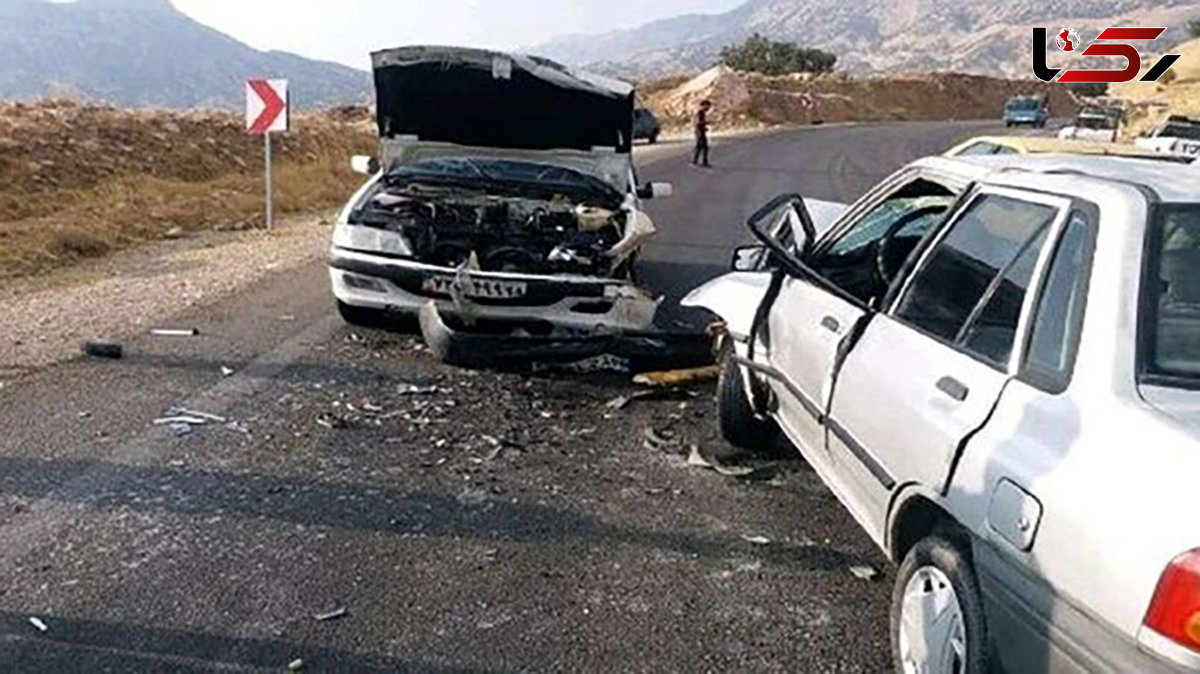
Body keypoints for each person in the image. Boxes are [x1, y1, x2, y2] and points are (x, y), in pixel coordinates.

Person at [692, 100, 712, 167]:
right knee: (704, 147)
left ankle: (695, 161)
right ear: (704, 105)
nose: (709, 108)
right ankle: (704, 162)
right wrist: (706, 122)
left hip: (700, 131)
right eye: (708, 106)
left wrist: (704, 127)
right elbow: (698, 123)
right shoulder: (700, 113)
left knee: (699, 147)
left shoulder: (701, 113)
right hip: (699, 132)